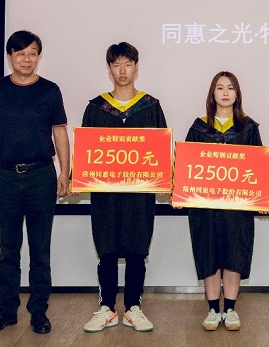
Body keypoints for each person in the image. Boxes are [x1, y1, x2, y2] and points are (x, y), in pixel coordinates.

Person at [0, 30, 71, 335]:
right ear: (10, 57)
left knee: (40, 251)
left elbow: (60, 132)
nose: (26, 59)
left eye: (32, 53)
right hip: (4, 177)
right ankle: (6, 311)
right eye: (20, 54)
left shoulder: (50, 91)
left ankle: (39, 312)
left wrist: (65, 172)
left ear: (39, 56)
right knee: (8, 251)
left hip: (41, 176)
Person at [81, 42, 167, 333]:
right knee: (106, 248)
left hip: (139, 194)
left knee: (136, 248)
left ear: (136, 68)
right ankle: (107, 307)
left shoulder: (151, 107)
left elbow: (161, 148)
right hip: (106, 193)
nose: (122, 70)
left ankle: (133, 308)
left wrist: (167, 178)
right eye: (116, 65)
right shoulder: (96, 107)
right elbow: (86, 151)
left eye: (127, 64)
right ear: (109, 69)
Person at [185, 71, 263, 332]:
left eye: (231, 88)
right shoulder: (198, 128)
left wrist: (262, 196)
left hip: (236, 209)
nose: (226, 92)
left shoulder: (248, 128)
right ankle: (212, 310)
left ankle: (229, 309)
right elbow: (187, 166)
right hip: (205, 208)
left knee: (234, 255)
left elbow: (258, 168)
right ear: (212, 93)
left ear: (237, 93)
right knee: (209, 255)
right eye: (220, 88)